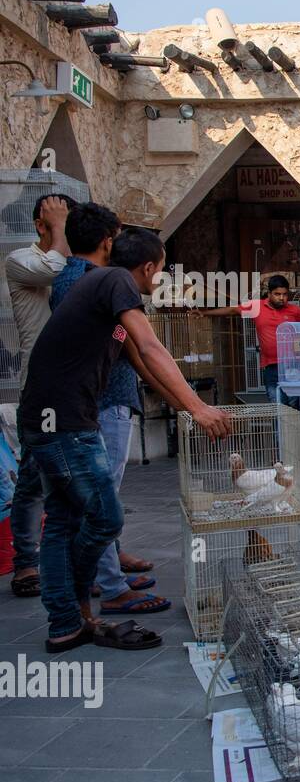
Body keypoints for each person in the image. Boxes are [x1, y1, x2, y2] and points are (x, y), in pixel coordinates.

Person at [19, 227, 231, 653]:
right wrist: (201, 408)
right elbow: (153, 347)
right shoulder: (114, 279)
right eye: (161, 271)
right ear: (149, 268)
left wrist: (187, 409)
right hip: (62, 423)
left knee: (65, 523)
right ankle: (82, 602)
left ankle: (68, 624)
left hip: (50, 419)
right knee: (104, 519)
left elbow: (146, 368)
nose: (159, 280)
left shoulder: (105, 295)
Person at [51, 203, 170, 617]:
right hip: (95, 406)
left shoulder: (73, 277)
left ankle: (92, 590)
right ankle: (105, 590)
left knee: (85, 509)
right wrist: (191, 404)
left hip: (78, 407)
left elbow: (131, 348)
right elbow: (143, 349)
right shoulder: (105, 283)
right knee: (98, 508)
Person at [4, 194, 72, 598]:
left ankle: (92, 559)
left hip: (74, 385)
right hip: (40, 386)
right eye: (55, 222)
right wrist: (61, 227)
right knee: (33, 476)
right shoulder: (20, 260)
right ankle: (26, 561)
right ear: (40, 226)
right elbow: (54, 272)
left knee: (81, 476)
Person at [196, 274, 300, 403]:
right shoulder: (256, 307)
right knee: (277, 405)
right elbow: (232, 310)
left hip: (292, 365)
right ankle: (280, 424)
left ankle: (297, 423)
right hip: (271, 366)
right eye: (277, 294)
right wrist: (204, 313)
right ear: (269, 294)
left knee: (294, 404)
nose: (281, 298)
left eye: (285, 294)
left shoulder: (296, 311)